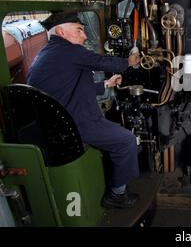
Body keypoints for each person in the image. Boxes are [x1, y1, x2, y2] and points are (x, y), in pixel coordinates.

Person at [27, 12, 141, 209]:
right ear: (62, 32)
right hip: (74, 124)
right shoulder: (68, 51)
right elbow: (103, 62)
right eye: (79, 30)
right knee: (126, 140)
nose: (85, 36)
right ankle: (117, 195)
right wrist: (130, 62)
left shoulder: (50, 53)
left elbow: (70, 87)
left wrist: (106, 84)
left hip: (58, 121)